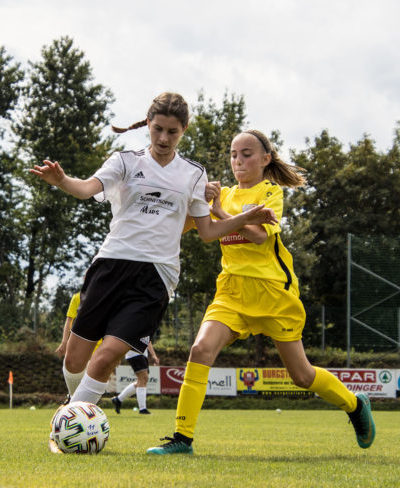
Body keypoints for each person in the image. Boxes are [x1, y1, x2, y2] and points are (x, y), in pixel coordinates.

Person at [29, 93, 277, 414]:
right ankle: (75, 406)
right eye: (157, 129)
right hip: (110, 265)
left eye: (172, 132)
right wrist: (61, 180)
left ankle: (70, 422)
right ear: (148, 124)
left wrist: (243, 218)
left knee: (106, 357)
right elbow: (86, 188)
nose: (163, 138)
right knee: (75, 359)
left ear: (184, 130)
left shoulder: (193, 173)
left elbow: (207, 233)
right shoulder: (125, 160)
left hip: (156, 277)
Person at [146, 130, 375, 455]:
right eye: (233, 154)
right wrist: (192, 197)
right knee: (200, 350)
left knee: (302, 375)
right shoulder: (220, 194)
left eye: (247, 153)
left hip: (273, 296)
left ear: (266, 159)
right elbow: (186, 228)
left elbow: (256, 236)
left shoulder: (271, 192)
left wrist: (222, 213)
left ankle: (354, 404)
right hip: (232, 293)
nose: (238, 160)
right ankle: (182, 440)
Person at [111, 343, 160, 414]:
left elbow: (147, 339)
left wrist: (153, 355)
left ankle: (118, 399)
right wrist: (118, 356)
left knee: (142, 381)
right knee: (143, 379)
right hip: (135, 353)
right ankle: (142, 409)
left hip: (142, 353)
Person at [54, 292, 82, 358]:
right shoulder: (77, 297)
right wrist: (64, 343)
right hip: (78, 348)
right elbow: (69, 320)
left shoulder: (106, 297)